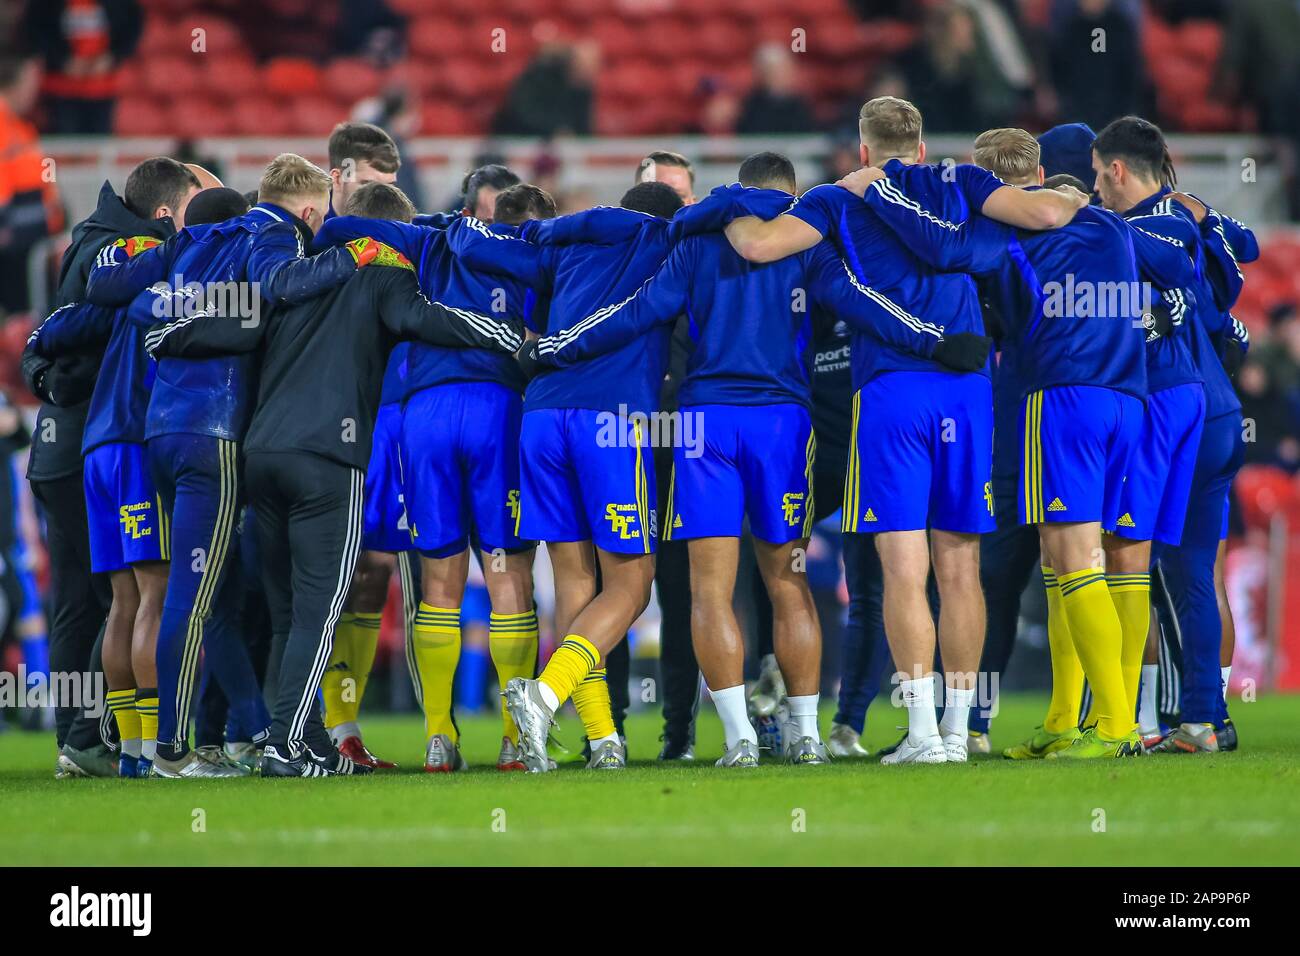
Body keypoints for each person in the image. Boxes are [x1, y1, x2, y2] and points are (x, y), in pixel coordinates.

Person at [529, 152, 990, 766]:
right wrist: (935, 341)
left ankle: (739, 737)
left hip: (703, 427)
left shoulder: (696, 242)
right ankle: (804, 734)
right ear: (791, 195)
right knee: (788, 581)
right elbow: (863, 305)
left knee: (709, 592)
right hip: (781, 427)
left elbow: (637, 311)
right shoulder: (807, 243)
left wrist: (559, 346)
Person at [722, 96, 1083, 764]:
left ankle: (918, 733)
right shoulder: (965, 181)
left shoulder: (838, 198)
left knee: (903, 569)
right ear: (921, 148)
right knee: (961, 567)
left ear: (863, 150)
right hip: (969, 391)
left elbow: (756, 244)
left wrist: (728, 200)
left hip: (892, 391)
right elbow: (1044, 211)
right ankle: (955, 730)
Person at [147, 182, 525, 777]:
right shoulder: (384, 270)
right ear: (395, 232)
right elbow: (423, 319)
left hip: (261, 455)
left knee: (283, 611)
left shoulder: (297, 271)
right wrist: (504, 335)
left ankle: (308, 742)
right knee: (318, 614)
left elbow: (240, 328)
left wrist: (174, 335)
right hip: (328, 455)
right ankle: (285, 746)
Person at [851, 127, 1197, 758]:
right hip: (1130, 400)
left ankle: (1117, 726)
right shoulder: (1113, 226)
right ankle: (1067, 718)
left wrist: (879, 190)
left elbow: (942, 246)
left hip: (1064, 399)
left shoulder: (1009, 233)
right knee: (1085, 562)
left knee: (1073, 562)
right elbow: (1180, 267)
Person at [82, 154, 380, 773]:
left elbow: (119, 296)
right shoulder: (262, 231)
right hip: (213, 434)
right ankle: (173, 749)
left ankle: (236, 727)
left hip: (158, 434)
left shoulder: (184, 245)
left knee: (194, 599)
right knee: (194, 600)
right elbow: (269, 303)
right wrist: (351, 257)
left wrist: (174, 322)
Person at [446, 181, 684, 772]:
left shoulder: (572, 250)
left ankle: (603, 737)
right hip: (609, 420)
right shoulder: (666, 244)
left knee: (575, 580)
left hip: (541, 416)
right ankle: (545, 695)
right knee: (632, 585)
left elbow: (497, 266)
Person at [317, 181, 554, 773]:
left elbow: (343, 227)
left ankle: (439, 737)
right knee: (506, 577)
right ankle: (513, 739)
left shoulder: (432, 241)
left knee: (439, 583)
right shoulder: (535, 256)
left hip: (424, 418)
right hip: (496, 409)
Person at [23, 157, 198, 778]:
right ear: (165, 214)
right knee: (140, 593)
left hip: (81, 446)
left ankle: (95, 745)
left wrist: (38, 362)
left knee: (96, 599)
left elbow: (59, 325)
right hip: (117, 441)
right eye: (192, 211)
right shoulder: (138, 260)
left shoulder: (100, 247)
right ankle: (138, 750)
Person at [319, 120, 404, 769]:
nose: (385, 197)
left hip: (384, 435)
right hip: (318, 441)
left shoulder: (402, 248)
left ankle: (344, 728)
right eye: (376, 181)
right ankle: (278, 728)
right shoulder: (305, 246)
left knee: (372, 578)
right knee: (317, 584)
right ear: (341, 176)